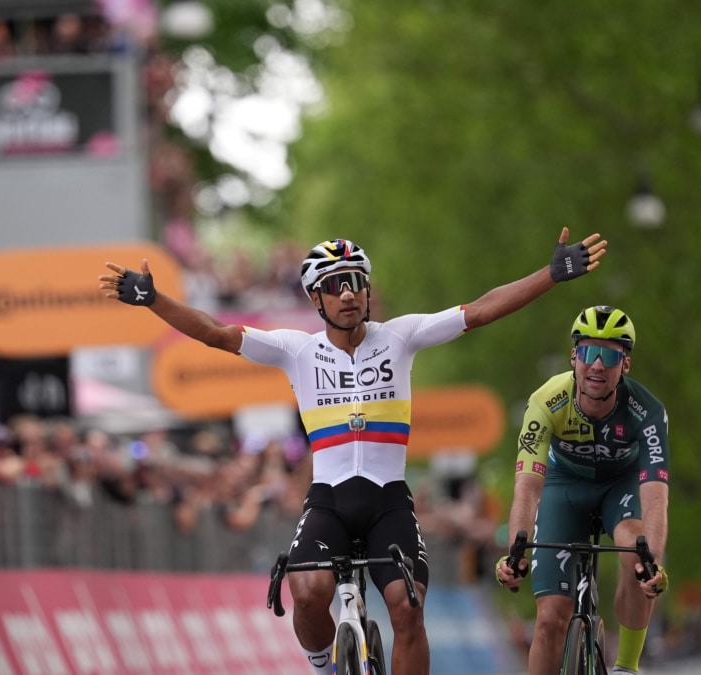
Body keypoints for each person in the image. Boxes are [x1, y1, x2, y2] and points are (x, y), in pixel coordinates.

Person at [100, 228, 606, 675]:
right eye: (334, 285)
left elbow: (479, 310)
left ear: (366, 292)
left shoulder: (400, 337)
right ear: (315, 299)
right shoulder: (296, 350)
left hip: (388, 500)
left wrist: (551, 275)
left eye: (355, 282)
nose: (347, 293)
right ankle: (324, 667)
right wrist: (154, 300)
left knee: (408, 609)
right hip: (330, 500)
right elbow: (215, 333)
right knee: (306, 591)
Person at [495, 306, 670, 675]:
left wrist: (654, 561)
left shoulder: (647, 411)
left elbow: (655, 494)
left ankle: (626, 665)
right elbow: (527, 486)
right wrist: (515, 552)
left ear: (625, 365)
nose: (597, 365)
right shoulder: (546, 401)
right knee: (549, 621)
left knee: (637, 556)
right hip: (565, 487)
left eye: (610, 356)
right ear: (574, 357)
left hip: (620, 485)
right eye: (589, 352)